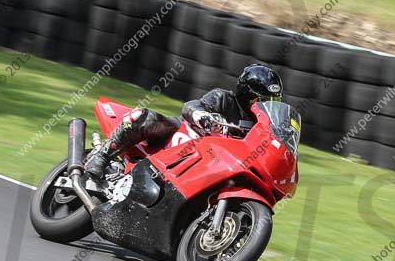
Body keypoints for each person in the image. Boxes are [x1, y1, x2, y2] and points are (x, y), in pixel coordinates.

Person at [84, 64, 284, 180]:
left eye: (272, 102)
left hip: (209, 164)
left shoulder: (260, 126)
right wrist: (203, 116)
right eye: (262, 99)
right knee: (145, 118)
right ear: (247, 93)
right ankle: (102, 156)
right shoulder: (223, 99)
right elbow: (191, 106)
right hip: (178, 138)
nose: (266, 105)